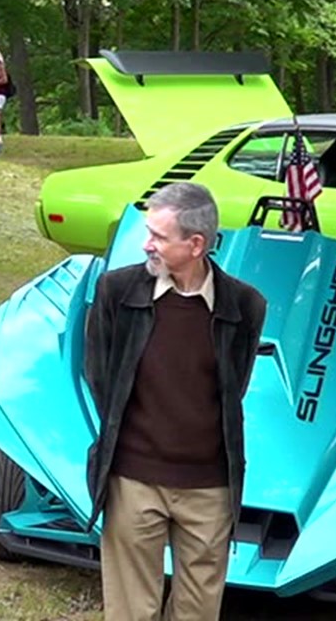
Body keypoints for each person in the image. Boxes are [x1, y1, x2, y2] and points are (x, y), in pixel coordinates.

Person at [84, 182, 267, 621]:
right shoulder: (116, 292)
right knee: (131, 612)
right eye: (148, 232)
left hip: (210, 489)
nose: (146, 244)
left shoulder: (245, 305)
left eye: (159, 237)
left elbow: (232, 387)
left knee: (198, 613)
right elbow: (101, 376)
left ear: (196, 244)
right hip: (133, 481)